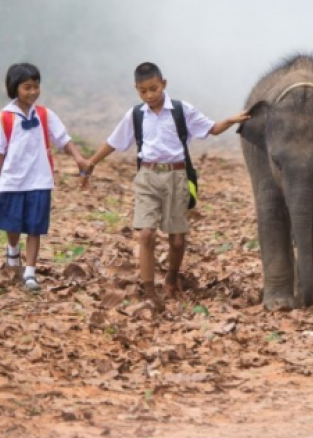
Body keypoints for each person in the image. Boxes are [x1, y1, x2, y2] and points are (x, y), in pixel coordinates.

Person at [83, 61, 249, 305]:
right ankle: (150, 291)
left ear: (164, 84)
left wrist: (232, 120)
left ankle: (172, 277)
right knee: (146, 234)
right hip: (147, 176)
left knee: (178, 240)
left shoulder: (181, 111)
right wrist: (92, 162)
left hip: (176, 177)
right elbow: (114, 142)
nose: (149, 95)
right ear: (136, 89)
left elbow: (211, 129)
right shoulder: (136, 115)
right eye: (143, 91)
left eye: (154, 89)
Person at [0, 62, 87, 291]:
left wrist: (79, 158)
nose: (33, 91)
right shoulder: (4, 118)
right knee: (13, 225)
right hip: (13, 180)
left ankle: (30, 272)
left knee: (35, 227)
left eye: (36, 86)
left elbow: (63, 138)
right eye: (27, 87)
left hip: (40, 179)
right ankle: (13, 249)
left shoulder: (44, 114)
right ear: (14, 88)